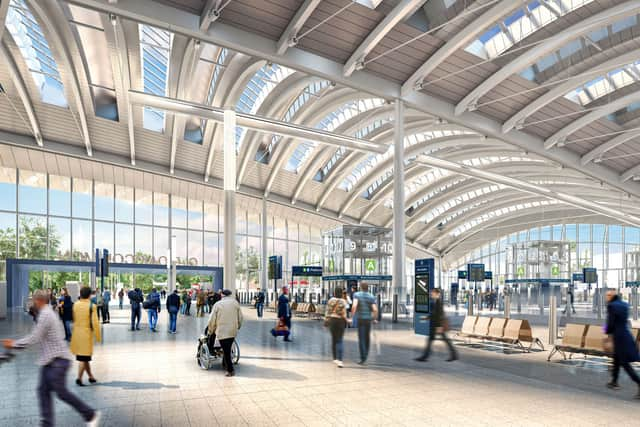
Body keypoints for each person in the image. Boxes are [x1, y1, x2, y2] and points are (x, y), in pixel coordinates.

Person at [2, 290, 100, 427]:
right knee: (43, 391)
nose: (32, 303)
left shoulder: (46, 315)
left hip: (58, 361)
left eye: (34, 301)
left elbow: (34, 338)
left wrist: (13, 344)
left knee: (61, 392)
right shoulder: (45, 313)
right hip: (49, 361)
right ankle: (47, 423)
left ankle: (90, 414)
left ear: (39, 301)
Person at [605, 290, 640, 398]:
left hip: (619, 338)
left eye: (608, 295)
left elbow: (610, 324)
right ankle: (614, 381)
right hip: (626, 335)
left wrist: (607, 335)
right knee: (616, 358)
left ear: (612, 296)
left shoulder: (611, 306)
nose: (607, 297)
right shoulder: (624, 304)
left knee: (624, 363)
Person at [415, 288, 458, 362]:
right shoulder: (437, 301)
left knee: (443, 340)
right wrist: (427, 318)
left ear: (437, 294)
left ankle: (453, 355)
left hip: (437, 325)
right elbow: (436, 314)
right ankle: (426, 355)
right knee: (436, 340)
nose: (431, 294)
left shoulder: (438, 302)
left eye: (433, 293)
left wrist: (438, 326)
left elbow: (438, 315)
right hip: (436, 325)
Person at [70, 286, 101, 387]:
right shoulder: (92, 306)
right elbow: (95, 323)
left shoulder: (75, 304)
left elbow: (74, 318)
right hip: (86, 335)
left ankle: (91, 377)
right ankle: (79, 378)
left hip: (77, 333)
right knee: (84, 358)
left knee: (85, 357)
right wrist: (98, 336)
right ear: (89, 295)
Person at [207, 290, 243, 377]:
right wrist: (238, 326)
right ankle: (225, 363)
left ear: (222, 295)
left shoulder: (218, 304)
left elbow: (212, 320)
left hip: (222, 330)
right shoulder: (235, 303)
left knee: (226, 351)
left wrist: (210, 330)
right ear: (230, 294)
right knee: (227, 348)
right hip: (232, 331)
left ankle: (230, 370)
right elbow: (240, 317)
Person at [351, 283, 379, 365]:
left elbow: (354, 306)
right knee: (367, 338)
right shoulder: (371, 296)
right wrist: (374, 318)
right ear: (367, 288)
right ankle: (366, 354)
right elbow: (375, 309)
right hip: (368, 320)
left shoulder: (357, 295)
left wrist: (352, 316)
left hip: (360, 319)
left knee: (361, 338)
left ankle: (363, 357)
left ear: (361, 287)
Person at [325, 288, 348, 368]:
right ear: (341, 293)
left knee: (334, 339)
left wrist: (326, 321)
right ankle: (340, 360)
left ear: (334, 293)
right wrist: (347, 320)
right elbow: (344, 314)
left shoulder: (330, 300)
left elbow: (327, 312)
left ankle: (335, 358)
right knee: (340, 340)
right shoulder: (343, 301)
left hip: (332, 321)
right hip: (340, 321)